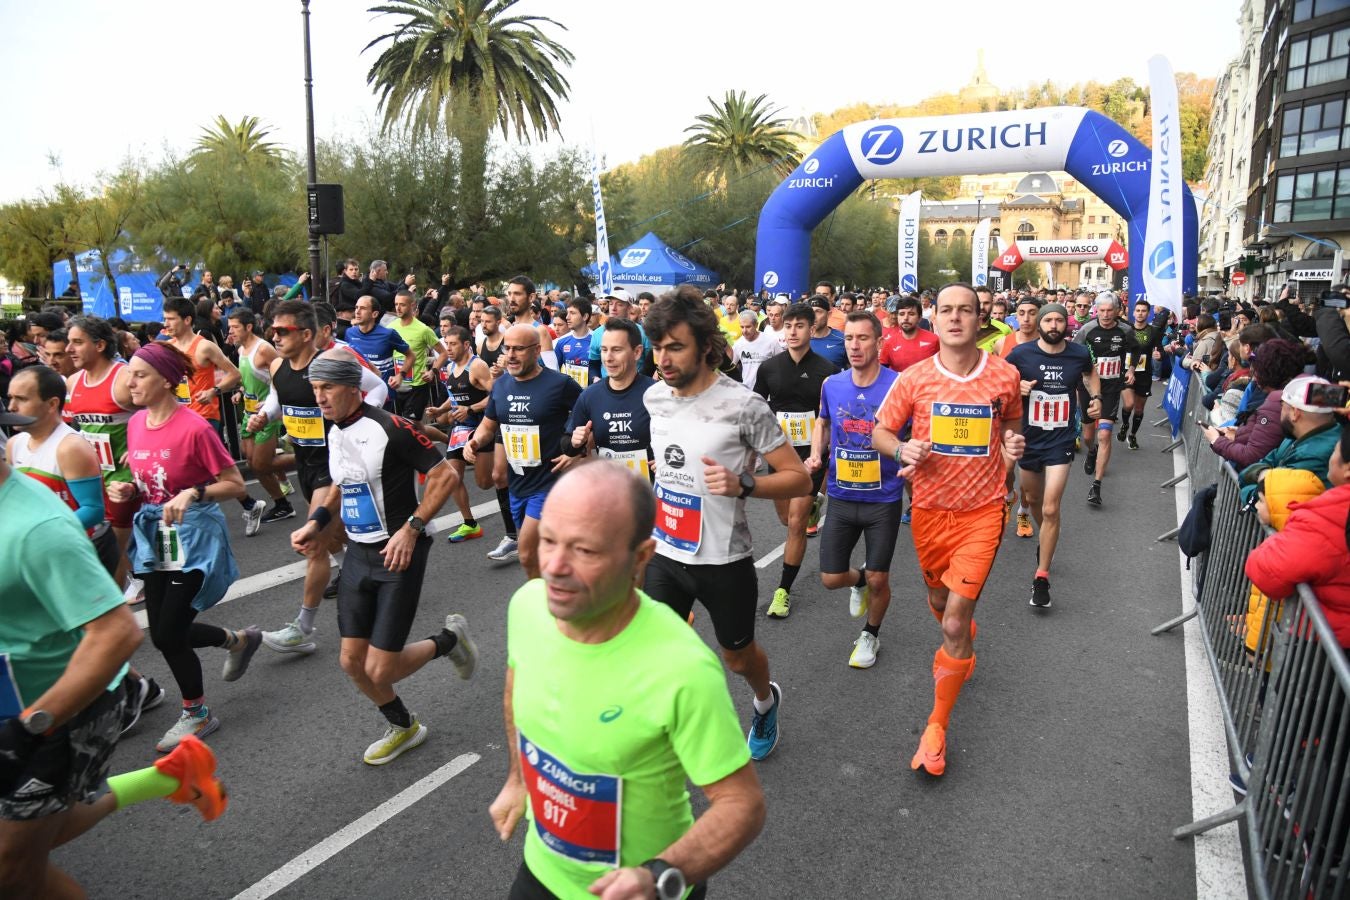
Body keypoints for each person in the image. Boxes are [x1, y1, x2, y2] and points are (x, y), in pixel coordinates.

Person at [488, 462, 765, 900]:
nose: (555, 567)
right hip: (543, 872)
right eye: (549, 541)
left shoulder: (682, 667)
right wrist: (518, 778)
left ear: (640, 557)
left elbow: (742, 806)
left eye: (585, 551)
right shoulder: (528, 606)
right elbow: (516, 683)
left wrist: (659, 876)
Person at [0, 447, 230, 900]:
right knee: (29, 842)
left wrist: (36, 724)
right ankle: (169, 777)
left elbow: (117, 634)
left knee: (11, 868)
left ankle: (184, 739)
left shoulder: (35, 526)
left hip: (55, 709)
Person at [643, 285, 812, 760]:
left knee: (737, 656)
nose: (664, 359)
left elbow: (798, 479)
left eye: (675, 347)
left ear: (705, 346)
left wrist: (746, 485)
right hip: (666, 549)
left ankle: (765, 700)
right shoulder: (655, 397)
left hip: (723, 559)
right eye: (658, 348)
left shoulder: (743, 405)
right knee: (655, 646)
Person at [288, 350, 478, 764]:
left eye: (328, 388)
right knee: (351, 662)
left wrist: (411, 529)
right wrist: (317, 522)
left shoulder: (391, 427)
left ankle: (449, 641)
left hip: (398, 551)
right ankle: (404, 725)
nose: (319, 397)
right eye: (315, 388)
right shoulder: (335, 429)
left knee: (381, 670)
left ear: (353, 389)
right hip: (359, 550)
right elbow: (341, 483)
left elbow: (444, 473)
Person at [872, 282, 1025, 775]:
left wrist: (1012, 445)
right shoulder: (913, 379)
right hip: (930, 512)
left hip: (984, 511)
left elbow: (1010, 423)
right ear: (933, 319)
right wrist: (901, 450)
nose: (956, 318)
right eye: (947, 310)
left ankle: (935, 728)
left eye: (967, 310)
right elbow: (880, 431)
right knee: (941, 605)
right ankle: (958, 637)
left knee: (955, 621)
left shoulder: (1004, 374)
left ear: (982, 320)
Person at [107, 342, 261, 752]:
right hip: (156, 534)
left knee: (171, 629)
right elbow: (149, 481)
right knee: (161, 633)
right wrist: (128, 489)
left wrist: (193, 492)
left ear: (165, 381)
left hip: (195, 537)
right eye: (130, 373)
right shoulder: (137, 423)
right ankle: (237, 640)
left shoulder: (194, 427)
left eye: (139, 374)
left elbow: (235, 484)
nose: (130, 381)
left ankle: (197, 713)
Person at [807, 311, 903, 667]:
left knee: (881, 577)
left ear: (879, 343)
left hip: (884, 498)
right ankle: (857, 579)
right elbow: (823, 421)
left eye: (863, 338)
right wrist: (817, 453)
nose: (854, 346)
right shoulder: (832, 385)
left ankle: (870, 634)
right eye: (849, 338)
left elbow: (913, 432)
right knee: (831, 578)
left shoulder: (899, 385)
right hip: (842, 495)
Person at [249, 301, 343, 656]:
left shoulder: (331, 365)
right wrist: (264, 415)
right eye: (272, 330)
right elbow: (279, 397)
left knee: (315, 541)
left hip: (334, 464)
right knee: (336, 537)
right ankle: (363, 579)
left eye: (282, 331)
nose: (275, 336)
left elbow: (376, 389)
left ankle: (302, 628)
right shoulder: (277, 366)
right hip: (304, 461)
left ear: (306, 334)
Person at [464, 324, 583, 578]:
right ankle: (555, 601)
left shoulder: (560, 384)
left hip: (550, 483)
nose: (511, 355)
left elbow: (586, 414)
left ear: (537, 350)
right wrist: (474, 441)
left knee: (527, 552)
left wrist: (576, 450)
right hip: (517, 484)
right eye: (508, 348)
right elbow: (488, 425)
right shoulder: (501, 385)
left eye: (519, 349)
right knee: (538, 559)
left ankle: (542, 608)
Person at [1005, 303, 1101, 608]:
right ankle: (1047, 538)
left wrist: (1095, 397)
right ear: (1040, 323)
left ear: (1065, 324)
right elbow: (1000, 381)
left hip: (1061, 439)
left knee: (1050, 507)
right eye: (1048, 319)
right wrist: (1015, 387)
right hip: (1029, 439)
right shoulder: (1021, 354)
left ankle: (1042, 576)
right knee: (1032, 501)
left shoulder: (1078, 353)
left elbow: (1091, 373)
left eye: (1059, 319)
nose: (1054, 324)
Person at [753, 302, 837, 617]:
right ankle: (813, 504)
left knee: (797, 525)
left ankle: (782, 591)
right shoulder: (770, 368)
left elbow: (831, 415)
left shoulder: (826, 370)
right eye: (788, 326)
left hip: (811, 456)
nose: (792, 331)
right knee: (785, 519)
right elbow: (757, 407)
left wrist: (827, 452)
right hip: (779, 452)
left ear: (811, 329)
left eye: (799, 326)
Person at [1246, 424, 1350, 647]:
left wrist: (1278, 518)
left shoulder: (1329, 514)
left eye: (1335, 451)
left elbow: (1269, 571)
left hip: (1325, 649)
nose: (1330, 458)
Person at [64, 316, 140, 601]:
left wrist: (139, 446)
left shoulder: (124, 378)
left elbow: (163, 408)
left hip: (125, 479)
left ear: (99, 345)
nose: (70, 349)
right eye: (69, 342)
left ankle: (110, 616)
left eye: (77, 342)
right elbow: (75, 429)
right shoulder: (73, 382)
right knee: (103, 549)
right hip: (94, 478)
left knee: (112, 551)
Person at [560, 318, 656, 483]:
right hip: (611, 492)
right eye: (604, 350)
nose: (608, 358)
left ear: (637, 352)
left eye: (616, 350)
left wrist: (666, 462)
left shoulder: (656, 394)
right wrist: (576, 442)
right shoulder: (590, 395)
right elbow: (567, 445)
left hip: (650, 496)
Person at [426, 325, 494, 543]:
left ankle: (511, 479)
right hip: (460, 430)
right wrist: (441, 410)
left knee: (485, 482)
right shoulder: (450, 366)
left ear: (466, 345)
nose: (449, 349)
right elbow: (454, 395)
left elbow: (497, 396)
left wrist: (471, 409)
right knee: (452, 476)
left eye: (453, 344)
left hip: (482, 427)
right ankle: (470, 524)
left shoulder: (478, 366)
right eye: (447, 344)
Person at [1074, 291, 1142, 507]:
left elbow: (1136, 349)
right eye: (1101, 310)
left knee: (1104, 434)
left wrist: (1131, 368)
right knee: (1088, 435)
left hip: (1112, 388)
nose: (1105, 314)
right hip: (1087, 387)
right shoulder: (1087, 329)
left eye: (1109, 310)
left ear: (1117, 311)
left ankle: (1096, 485)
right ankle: (1091, 451)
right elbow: (1073, 352)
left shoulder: (1125, 330)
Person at [228, 308, 294, 530]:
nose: (231, 331)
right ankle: (282, 503)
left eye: (235, 327)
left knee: (261, 464)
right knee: (251, 463)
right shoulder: (241, 350)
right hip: (248, 413)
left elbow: (283, 375)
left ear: (248, 327)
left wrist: (270, 404)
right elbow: (249, 380)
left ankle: (309, 456)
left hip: (267, 414)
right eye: (230, 327)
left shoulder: (264, 349)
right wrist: (240, 391)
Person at [1201, 338, 1309, 468]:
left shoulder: (1276, 403)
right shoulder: (1279, 397)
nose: (1253, 374)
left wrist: (1216, 440)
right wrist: (1238, 433)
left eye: (1256, 368)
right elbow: (1263, 437)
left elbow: (1252, 455)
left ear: (1268, 371)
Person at [1237, 374, 1343, 503]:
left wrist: (1254, 481)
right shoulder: (1294, 438)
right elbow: (1263, 463)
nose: (1280, 411)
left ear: (1295, 412)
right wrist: (1262, 474)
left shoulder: (1312, 455)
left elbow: (1264, 499)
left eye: (1282, 405)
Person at [1119, 298, 1170, 449]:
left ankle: (1133, 435)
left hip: (1144, 375)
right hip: (1127, 372)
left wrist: (1159, 355)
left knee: (1139, 409)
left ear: (1148, 314)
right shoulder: (1126, 330)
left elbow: (1159, 349)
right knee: (1128, 404)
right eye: (1138, 311)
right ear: (1133, 313)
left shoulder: (1153, 331)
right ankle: (1124, 425)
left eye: (1144, 311)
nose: (1140, 314)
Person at [389, 289, 444, 421]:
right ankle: (443, 439)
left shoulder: (423, 329)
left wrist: (432, 372)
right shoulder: (390, 328)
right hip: (397, 383)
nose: (398, 308)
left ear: (412, 305)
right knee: (410, 427)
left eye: (402, 304)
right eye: (396, 304)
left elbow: (443, 353)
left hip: (417, 385)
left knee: (410, 424)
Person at [345, 295, 413, 394]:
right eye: (356, 307)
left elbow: (411, 355)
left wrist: (400, 375)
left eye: (363, 308)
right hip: (357, 395)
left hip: (383, 394)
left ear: (374, 314)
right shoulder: (349, 333)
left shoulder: (388, 334)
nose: (357, 311)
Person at [880, 295, 939, 373]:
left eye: (911, 314)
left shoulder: (934, 340)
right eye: (901, 314)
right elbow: (881, 372)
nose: (905, 318)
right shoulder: (889, 343)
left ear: (920, 318)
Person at [730, 309, 782, 393]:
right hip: (747, 392)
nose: (744, 331)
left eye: (748, 327)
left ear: (756, 325)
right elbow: (731, 366)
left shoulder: (770, 341)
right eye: (742, 327)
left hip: (768, 393)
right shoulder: (738, 344)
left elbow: (782, 363)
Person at [554, 297, 594, 388]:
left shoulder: (597, 340)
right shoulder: (561, 342)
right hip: (570, 396)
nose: (567, 317)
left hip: (591, 396)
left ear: (585, 316)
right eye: (567, 313)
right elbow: (555, 372)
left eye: (572, 313)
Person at [807, 296, 846, 368]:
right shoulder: (800, 339)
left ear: (828, 315)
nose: (813, 316)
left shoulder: (842, 339)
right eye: (810, 312)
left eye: (818, 311)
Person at [974, 286, 1013, 353]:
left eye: (986, 303)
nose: (981, 307)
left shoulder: (1005, 329)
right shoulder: (961, 328)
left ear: (992, 304)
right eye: (978, 303)